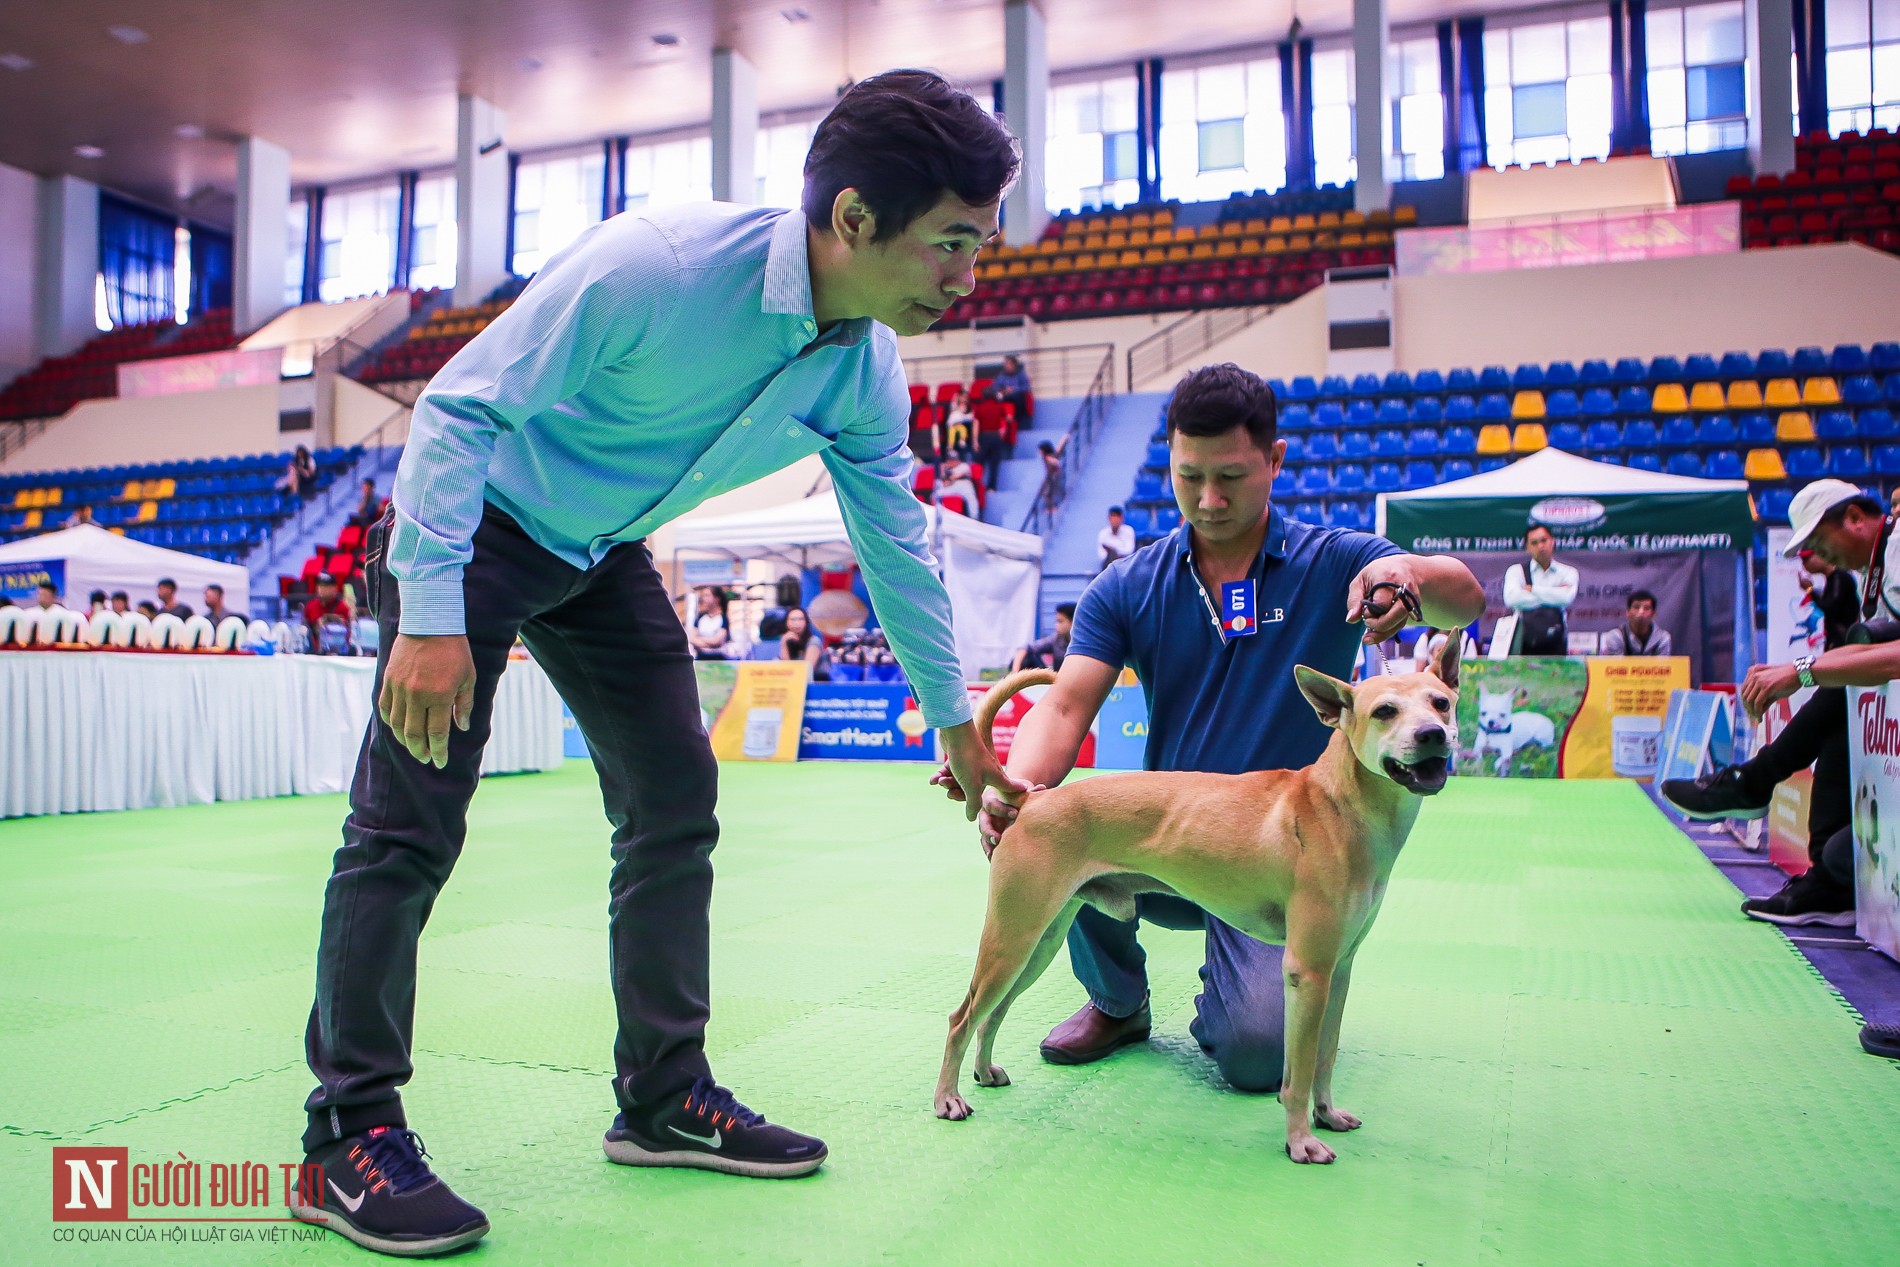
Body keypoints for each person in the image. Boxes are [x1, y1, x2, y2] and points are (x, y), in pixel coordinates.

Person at [293, 68, 1027, 1257]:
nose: (966, 275)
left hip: (594, 549)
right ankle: (347, 1135)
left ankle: (661, 1097)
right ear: (852, 221)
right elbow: (456, 408)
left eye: (976, 245)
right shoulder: (661, 267)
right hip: (474, 530)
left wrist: (954, 721)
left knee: (675, 797)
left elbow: (894, 545)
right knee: (405, 828)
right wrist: (427, 617)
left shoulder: (863, 367)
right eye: (949, 244)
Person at [953, 363, 1483, 1091]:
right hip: (1166, 835)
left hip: (1278, 856)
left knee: (1257, 1056)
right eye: (1187, 475)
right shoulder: (1128, 583)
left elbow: (1465, 598)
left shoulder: (1336, 564)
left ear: (1275, 461)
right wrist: (1020, 787)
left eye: (1231, 476)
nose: (1207, 499)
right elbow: (1068, 703)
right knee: (1057, 826)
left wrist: (1405, 573)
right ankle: (1118, 1000)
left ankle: (1241, 1001)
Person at [1661, 479, 1889, 928]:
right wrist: (1796, 668)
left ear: (1856, 519)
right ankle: (1829, 883)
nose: (1825, 558)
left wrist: (1803, 670)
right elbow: (1867, 654)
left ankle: (1754, 781)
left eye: (1823, 542)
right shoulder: (1872, 570)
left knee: (1841, 686)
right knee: (1844, 706)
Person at [1503, 524, 1577, 654]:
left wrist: (1532, 590)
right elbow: (1511, 599)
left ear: (1552, 541)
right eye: (1534, 542)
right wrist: (1554, 594)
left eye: (1544, 540)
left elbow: (1566, 598)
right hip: (1523, 642)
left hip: (1556, 641)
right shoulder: (1516, 571)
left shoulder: (1568, 572)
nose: (1540, 546)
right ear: (1527, 547)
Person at [1795, 549, 1860, 652]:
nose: (1804, 565)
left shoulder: (1839, 577)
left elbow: (1830, 607)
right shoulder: (1833, 578)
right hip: (1838, 640)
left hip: (1844, 643)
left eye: (1806, 559)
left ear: (1821, 555)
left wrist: (1810, 590)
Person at [1597, 590, 1672, 656]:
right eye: (1636, 607)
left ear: (1653, 614)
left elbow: (1662, 669)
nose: (1641, 612)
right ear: (1628, 612)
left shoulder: (1663, 638)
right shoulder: (1615, 636)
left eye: (1646, 608)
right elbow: (1615, 668)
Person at [1010, 602, 1074, 672]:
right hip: (1058, 678)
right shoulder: (1056, 639)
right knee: (1026, 658)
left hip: (1078, 677)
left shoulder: (1084, 641)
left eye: (1060, 621)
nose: (1056, 625)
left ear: (1072, 622)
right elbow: (1025, 648)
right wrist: (1015, 673)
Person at [303, 572, 354, 652]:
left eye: (326, 587)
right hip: (314, 652)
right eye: (320, 586)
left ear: (335, 588)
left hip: (339, 652)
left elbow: (349, 633)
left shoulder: (343, 607)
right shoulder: (310, 606)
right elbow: (305, 628)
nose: (322, 589)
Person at [779, 606, 832, 681]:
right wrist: (784, 644)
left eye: (800, 619)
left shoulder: (814, 641)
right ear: (786, 623)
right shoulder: (786, 641)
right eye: (792, 620)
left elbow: (806, 671)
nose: (797, 623)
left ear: (806, 622)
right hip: (794, 683)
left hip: (816, 685)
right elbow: (786, 670)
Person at [972, 389, 1011, 489]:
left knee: (979, 463)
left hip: (984, 436)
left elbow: (976, 425)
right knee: (994, 464)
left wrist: (975, 441)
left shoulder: (979, 408)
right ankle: (992, 487)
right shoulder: (999, 407)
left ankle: (978, 486)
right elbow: (1007, 420)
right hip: (996, 436)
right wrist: (1003, 430)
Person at [687, 586, 732, 660]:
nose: (704, 599)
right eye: (703, 596)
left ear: (717, 599)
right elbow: (691, 638)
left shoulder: (723, 618)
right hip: (701, 658)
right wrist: (709, 643)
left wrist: (699, 640)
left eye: (707, 595)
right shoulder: (700, 618)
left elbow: (717, 641)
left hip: (718, 659)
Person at [990, 353, 1033, 429]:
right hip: (1004, 396)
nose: (1007, 366)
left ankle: (1017, 424)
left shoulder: (1021, 374)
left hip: (1017, 397)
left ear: (1014, 365)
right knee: (995, 398)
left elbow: (1026, 387)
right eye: (1006, 364)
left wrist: (1014, 389)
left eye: (1009, 364)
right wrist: (1003, 390)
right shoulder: (1001, 375)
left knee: (1018, 398)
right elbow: (994, 387)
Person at [1096, 505, 1136, 571]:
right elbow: (1101, 555)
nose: (1115, 520)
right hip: (1109, 564)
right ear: (1109, 519)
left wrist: (1114, 550)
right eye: (1113, 516)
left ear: (1122, 518)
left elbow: (1129, 550)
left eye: (1118, 517)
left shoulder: (1129, 531)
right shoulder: (1103, 533)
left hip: (1125, 563)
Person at [941, 388, 975, 458]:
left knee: (962, 429)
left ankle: (962, 441)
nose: (963, 399)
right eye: (962, 397)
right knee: (951, 431)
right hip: (953, 426)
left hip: (963, 427)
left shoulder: (969, 408)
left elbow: (969, 417)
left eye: (965, 398)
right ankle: (950, 446)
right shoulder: (954, 406)